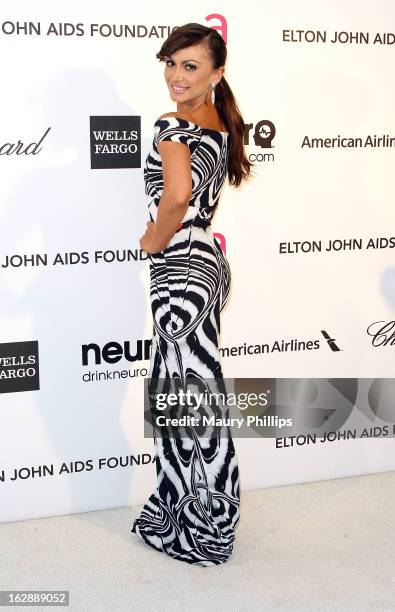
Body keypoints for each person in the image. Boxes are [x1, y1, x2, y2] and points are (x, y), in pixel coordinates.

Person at [131, 22, 255, 567]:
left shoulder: (173, 123)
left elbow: (177, 196)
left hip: (180, 267)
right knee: (186, 394)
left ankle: (207, 528)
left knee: (188, 401)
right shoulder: (219, 121)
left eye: (190, 66)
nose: (176, 76)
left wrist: (152, 240)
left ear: (216, 73)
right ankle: (181, 511)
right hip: (206, 263)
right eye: (171, 63)